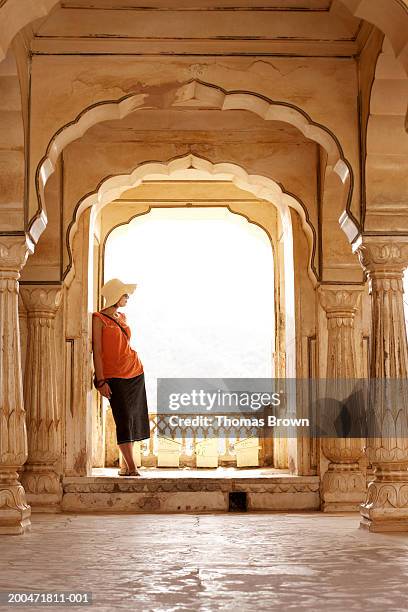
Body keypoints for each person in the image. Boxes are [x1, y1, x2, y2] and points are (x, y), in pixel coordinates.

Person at [92, 278, 150, 477]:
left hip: (135, 373)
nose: (127, 298)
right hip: (114, 376)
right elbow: (97, 351)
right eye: (125, 295)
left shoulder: (121, 316)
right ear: (115, 295)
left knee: (132, 419)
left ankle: (126, 466)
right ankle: (132, 468)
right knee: (123, 419)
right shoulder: (98, 318)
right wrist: (100, 381)